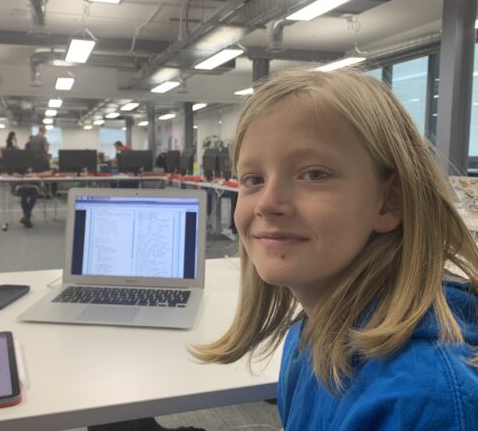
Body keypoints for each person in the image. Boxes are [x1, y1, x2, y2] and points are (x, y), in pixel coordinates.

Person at [192, 67, 478, 430]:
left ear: (388, 202)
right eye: (253, 179)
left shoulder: (425, 399)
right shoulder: (312, 330)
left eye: (313, 174)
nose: (267, 203)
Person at [18, 126, 51, 228]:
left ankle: (26, 216)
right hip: (29, 183)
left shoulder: (43, 160)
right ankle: (27, 217)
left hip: (32, 183)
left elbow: (48, 173)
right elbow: (20, 173)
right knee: (28, 193)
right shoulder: (43, 142)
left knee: (30, 192)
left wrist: (33, 174)